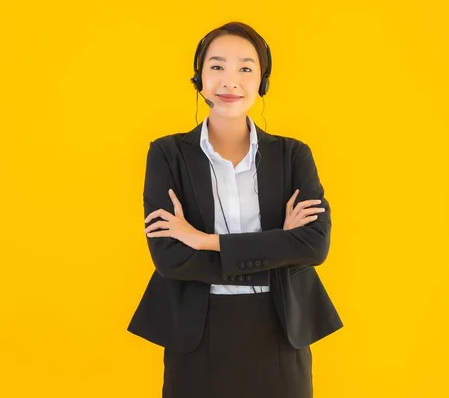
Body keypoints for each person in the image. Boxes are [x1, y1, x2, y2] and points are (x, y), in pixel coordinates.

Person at [127, 21, 343, 398]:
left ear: (262, 81)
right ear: (199, 78)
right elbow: (171, 259)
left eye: (245, 68)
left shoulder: (293, 155)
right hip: (197, 333)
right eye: (216, 67)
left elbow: (313, 246)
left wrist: (205, 241)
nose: (230, 81)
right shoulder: (167, 154)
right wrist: (278, 246)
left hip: (279, 330)